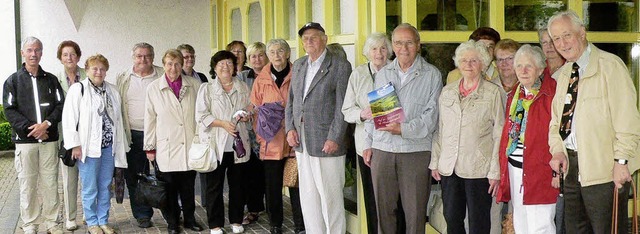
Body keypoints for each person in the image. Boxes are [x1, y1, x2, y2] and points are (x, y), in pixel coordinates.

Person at [547, 10, 640, 233]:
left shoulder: (610, 66)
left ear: (582, 33)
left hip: (605, 170)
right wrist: (557, 150)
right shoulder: (563, 74)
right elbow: (556, 122)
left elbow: (627, 120)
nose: (562, 43)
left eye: (566, 35)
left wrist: (622, 161)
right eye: (556, 39)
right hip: (571, 169)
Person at [361, 24, 441, 234]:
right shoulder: (383, 73)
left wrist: (403, 129)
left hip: (414, 152)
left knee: (415, 214)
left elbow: (431, 118)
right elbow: (374, 112)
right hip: (383, 150)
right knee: (384, 213)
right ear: (392, 46)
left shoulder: (431, 75)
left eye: (409, 42)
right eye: (398, 43)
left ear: (418, 45)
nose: (403, 48)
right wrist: (368, 144)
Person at [430, 39, 505, 234]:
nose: (468, 65)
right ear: (457, 63)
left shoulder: (493, 93)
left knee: (479, 223)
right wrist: (435, 161)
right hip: (449, 167)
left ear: (483, 63)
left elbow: (499, 134)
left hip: (478, 170)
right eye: (464, 61)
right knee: (452, 219)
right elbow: (440, 129)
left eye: (473, 61)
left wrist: (495, 172)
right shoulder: (447, 92)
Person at [285, 22, 352, 233]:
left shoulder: (340, 65)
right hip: (302, 141)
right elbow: (292, 101)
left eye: (313, 37)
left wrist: (335, 137)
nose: (309, 42)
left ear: (325, 38)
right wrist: (290, 129)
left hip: (327, 142)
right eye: (305, 39)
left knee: (330, 197)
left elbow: (343, 106)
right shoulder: (300, 64)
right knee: (308, 195)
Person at [341, 32, 406, 234]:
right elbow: (346, 110)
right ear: (367, 52)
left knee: (399, 199)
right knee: (373, 198)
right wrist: (362, 114)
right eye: (374, 49)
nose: (379, 53)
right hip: (366, 147)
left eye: (383, 48)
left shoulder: (398, 72)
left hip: (395, 143)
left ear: (390, 51)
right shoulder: (358, 74)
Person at [3, 36, 65, 234]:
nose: (33, 54)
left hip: (49, 140)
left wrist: (46, 125)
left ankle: (52, 223)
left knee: (50, 183)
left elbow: (60, 105)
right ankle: (30, 224)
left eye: (37, 50)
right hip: (25, 143)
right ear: (23, 53)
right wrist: (33, 129)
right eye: (29, 50)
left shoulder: (51, 80)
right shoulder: (13, 81)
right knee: (27, 185)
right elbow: (10, 110)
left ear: (41, 52)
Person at [62, 54, 129, 234]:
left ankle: (103, 220)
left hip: (109, 148)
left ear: (106, 71)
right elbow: (69, 119)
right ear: (88, 70)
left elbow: (119, 120)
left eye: (102, 69)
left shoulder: (113, 91)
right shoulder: (78, 90)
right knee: (90, 187)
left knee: (106, 185)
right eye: (94, 68)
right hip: (88, 148)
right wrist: (75, 145)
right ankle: (92, 222)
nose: (98, 72)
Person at [496, 45, 559, 233]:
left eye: (528, 66)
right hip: (515, 168)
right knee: (520, 221)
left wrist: (557, 171)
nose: (523, 71)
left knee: (541, 224)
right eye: (519, 66)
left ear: (540, 69)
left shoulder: (551, 93)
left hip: (541, 169)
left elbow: (559, 134)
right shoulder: (516, 93)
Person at [144, 49, 204, 234]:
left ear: (182, 64)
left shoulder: (195, 84)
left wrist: (202, 141)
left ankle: (190, 219)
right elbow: (150, 119)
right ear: (163, 65)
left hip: (188, 144)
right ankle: (172, 222)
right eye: (169, 64)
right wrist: (149, 147)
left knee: (188, 187)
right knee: (169, 189)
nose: (173, 68)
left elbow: (201, 115)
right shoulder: (154, 88)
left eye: (177, 63)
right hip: (166, 146)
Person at [250, 38, 306, 234]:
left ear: (288, 53)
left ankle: (300, 224)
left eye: (280, 51)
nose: (276, 56)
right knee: (272, 187)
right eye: (272, 52)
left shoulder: (298, 74)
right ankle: (275, 224)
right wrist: (260, 137)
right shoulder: (261, 79)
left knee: (296, 184)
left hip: (293, 139)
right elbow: (255, 109)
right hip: (271, 141)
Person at [196, 50, 252, 234]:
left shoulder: (243, 87)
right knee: (214, 187)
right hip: (216, 144)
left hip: (238, 145)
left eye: (229, 63)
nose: (225, 67)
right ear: (214, 68)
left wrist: (246, 116)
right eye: (221, 64)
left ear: (235, 66)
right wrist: (223, 124)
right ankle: (215, 224)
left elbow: (252, 110)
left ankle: (236, 220)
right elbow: (202, 116)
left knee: (238, 185)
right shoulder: (207, 89)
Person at [115, 42, 164, 228]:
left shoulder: (162, 74)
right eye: (139, 56)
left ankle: (170, 213)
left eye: (147, 56)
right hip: (133, 134)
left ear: (153, 56)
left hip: (160, 133)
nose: (143, 59)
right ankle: (143, 214)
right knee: (135, 176)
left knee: (167, 175)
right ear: (133, 57)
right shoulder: (123, 77)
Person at [54, 40, 86, 231]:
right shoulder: (54, 79)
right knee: (69, 178)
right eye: (65, 55)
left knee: (89, 178)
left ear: (78, 56)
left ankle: (89, 215)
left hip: (87, 133)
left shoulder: (87, 75)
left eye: (72, 54)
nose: (69, 58)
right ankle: (71, 217)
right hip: (65, 135)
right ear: (60, 58)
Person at [237, 42, 268, 225]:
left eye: (261, 55)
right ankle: (254, 209)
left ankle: (273, 208)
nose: (257, 59)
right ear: (249, 60)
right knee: (251, 176)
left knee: (269, 175)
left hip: (270, 134)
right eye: (253, 56)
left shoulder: (273, 75)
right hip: (248, 134)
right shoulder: (241, 77)